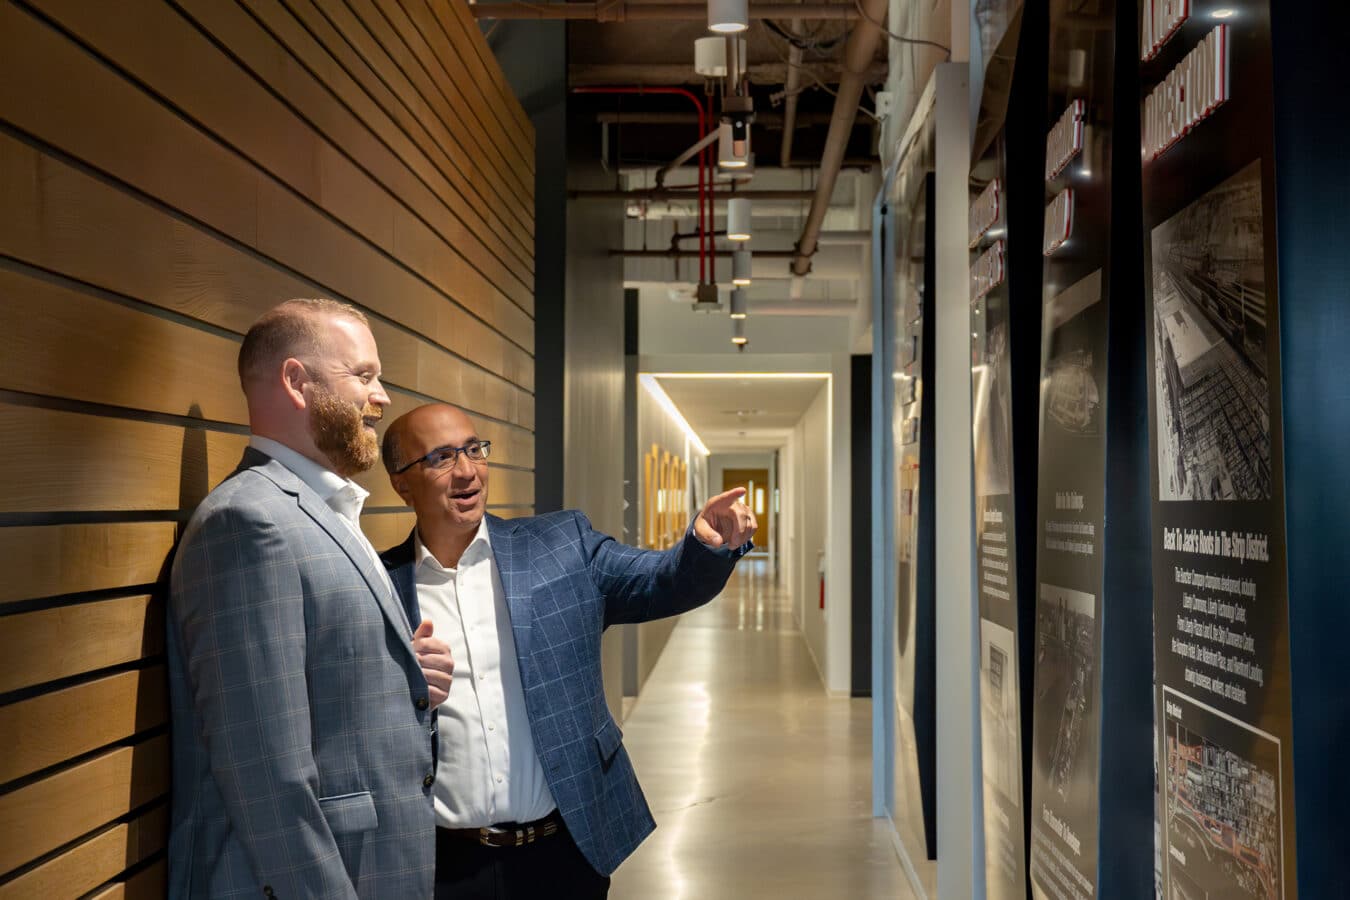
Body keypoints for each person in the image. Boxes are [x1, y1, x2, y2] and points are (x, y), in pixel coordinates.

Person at [379, 403, 757, 899]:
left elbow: (662, 582)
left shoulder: (559, 547)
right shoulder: (381, 588)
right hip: (441, 865)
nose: (467, 471)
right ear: (402, 485)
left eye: (474, 450)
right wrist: (395, 684)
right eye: (442, 457)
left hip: (562, 854)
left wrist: (704, 547)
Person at [166, 299, 452, 898]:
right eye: (364, 375)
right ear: (297, 382)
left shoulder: (322, 509)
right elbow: (265, 775)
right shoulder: (247, 524)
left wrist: (401, 674)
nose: (382, 397)